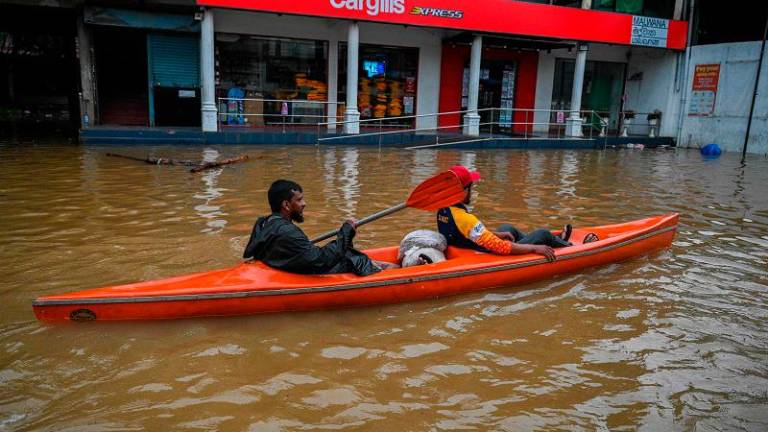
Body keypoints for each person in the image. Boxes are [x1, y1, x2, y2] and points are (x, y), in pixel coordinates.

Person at [436, 165, 590, 262]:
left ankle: (553, 241)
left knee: (507, 228)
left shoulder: (443, 210)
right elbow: (501, 248)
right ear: (462, 192)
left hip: (469, 246)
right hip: (488, 254)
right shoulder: (465, 218)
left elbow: (468, 234)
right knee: (542, 234)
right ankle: (570, 247)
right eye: (471, 188)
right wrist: (534, 248)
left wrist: (497, 234)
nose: (472, 191)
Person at [243, 179, 391, 276]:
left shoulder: (263, 222)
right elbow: (321, 261)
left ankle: (388, 267)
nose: (304, 204)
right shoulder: (288, 232)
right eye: (299, 200)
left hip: (284, 267)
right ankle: (393, 272)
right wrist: (346, 231)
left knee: (349, 253)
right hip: (297, 272)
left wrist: (344, 236)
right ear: (286, 205)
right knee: (355, 259)